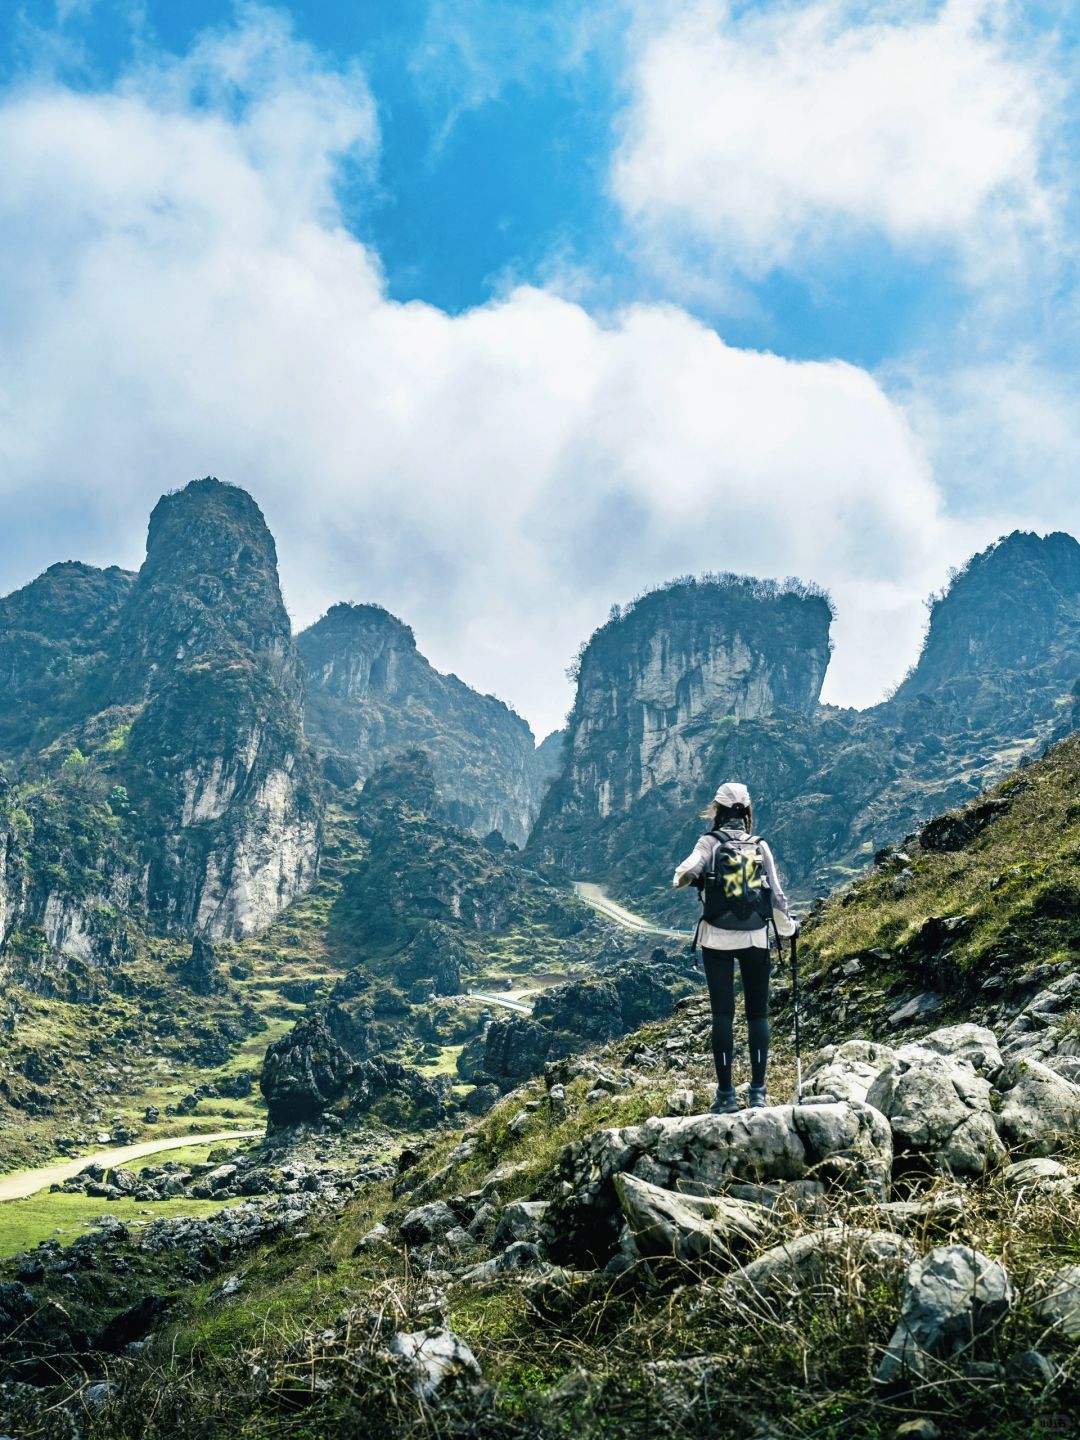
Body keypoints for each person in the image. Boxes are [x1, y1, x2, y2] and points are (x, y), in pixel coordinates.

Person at [672, 781, 796, 1114]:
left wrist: (690, 878)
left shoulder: (709, 843)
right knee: (758, 1015)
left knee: (723, 1014)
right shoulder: (760, 845)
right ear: (746, 812)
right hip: (756, 936)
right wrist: (789, 927)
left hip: (716, 937)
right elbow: (777, 895)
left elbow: (684, 872)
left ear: (718, 810)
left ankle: (726, 1095)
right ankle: (758, 1092)